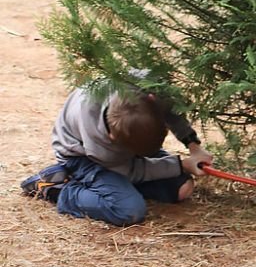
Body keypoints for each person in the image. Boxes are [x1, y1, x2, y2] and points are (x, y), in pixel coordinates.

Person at [21, 76, 213, 225]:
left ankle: (116, 187)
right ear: (115, 138)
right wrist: (183, 165)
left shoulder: (140, 85)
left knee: (182, 189)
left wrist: (193, 145)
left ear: (151, 99)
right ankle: (59, 189)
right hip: (82, 157)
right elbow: (135, 170)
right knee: (128, 210)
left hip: (125, 151)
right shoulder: (101, 143)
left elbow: (170, 108)